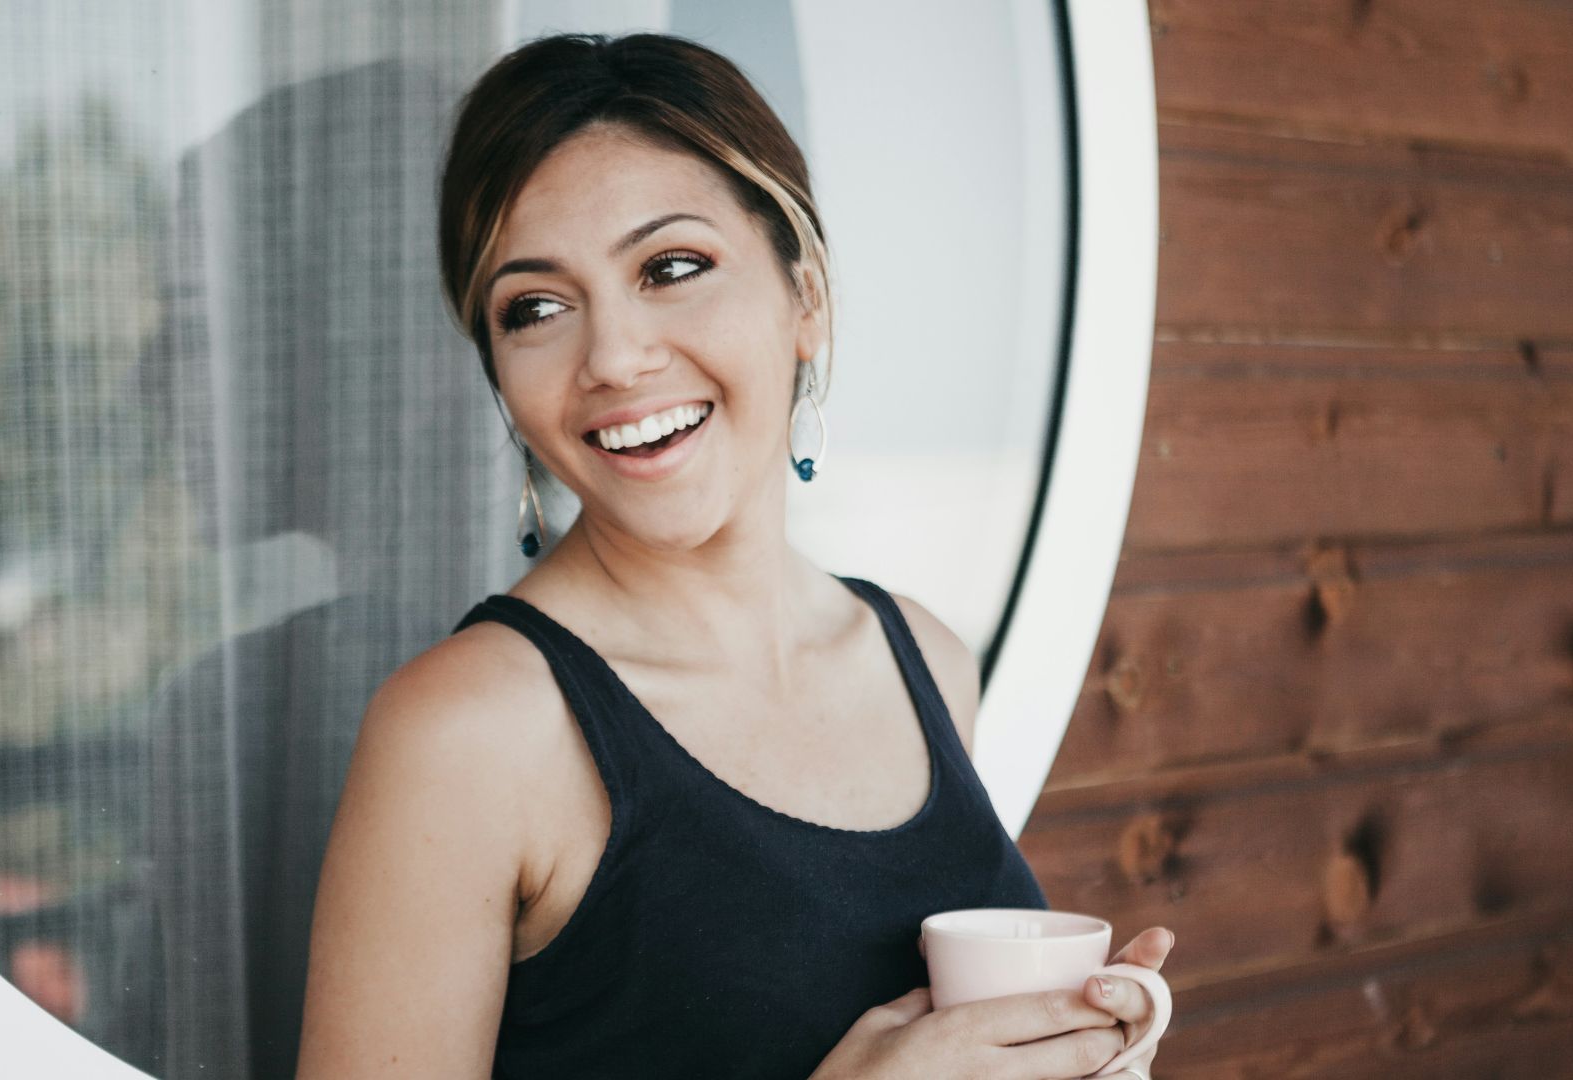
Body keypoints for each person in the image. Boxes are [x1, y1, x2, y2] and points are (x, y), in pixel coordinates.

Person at [296, 31, 1175, 1079]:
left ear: (805, 299)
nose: (615, 358)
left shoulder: (925, 659)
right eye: (535, 308)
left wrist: (1076, 1046)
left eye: (671, 268)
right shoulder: (470, 734)